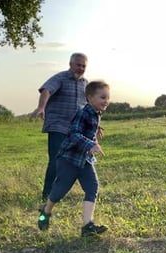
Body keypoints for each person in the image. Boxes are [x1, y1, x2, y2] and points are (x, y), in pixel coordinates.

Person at [38, 80, 110, 237]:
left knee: (92, 187)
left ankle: (87, 226)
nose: (106, 101)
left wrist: (96, 130)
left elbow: (87, 128)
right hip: (69, 159)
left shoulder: (95, 113)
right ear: (90, 98)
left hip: (84, 160)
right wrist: (91, 144)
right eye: (102, 97)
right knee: (59, 191)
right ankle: (45, 211)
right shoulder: (83, 112)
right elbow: (73, 133)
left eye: (107, 98)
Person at [32, 53, 100, 202]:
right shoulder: (60, 78)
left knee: (75, 160)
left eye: (84, 66)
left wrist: (97, 125)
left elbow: (90, 105)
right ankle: (47, 194)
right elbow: (47, 90)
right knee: (56, 160)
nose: (81, 68)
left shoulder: (85, 84)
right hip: (58, 125)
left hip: (76, 130)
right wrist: (41, 107)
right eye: (78, 65)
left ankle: (61, 193)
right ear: (71, 64)